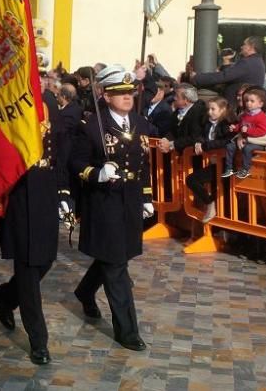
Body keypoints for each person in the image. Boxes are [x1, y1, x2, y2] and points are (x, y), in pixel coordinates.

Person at [70, 64, 154, 352]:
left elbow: (144, 165)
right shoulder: (92, 126)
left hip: (129, 200)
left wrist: (146, 196)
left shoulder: (140, 123)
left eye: (130, 92)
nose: (127, 97)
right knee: (117, 265)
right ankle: (127, 330)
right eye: (120, 93)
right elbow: (76, 163)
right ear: (106, 96)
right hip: (104, 202)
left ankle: (84, 290)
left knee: (117, 256)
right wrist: (97, 173)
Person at [0, 110, 65, 365]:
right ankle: (39, 341)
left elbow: (61, 155)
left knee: (44, 262)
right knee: (27, 269)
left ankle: (5, 297)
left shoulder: (49, 111)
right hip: (19, 195)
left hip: (45, 194)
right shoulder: (9, 112)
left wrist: (65, 194)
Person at [185, 96, 237, 221]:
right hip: (214, 163)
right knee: (192, 180)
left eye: (213, 109)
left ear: (222, 109)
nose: (210, 112)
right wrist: (198, 142)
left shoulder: (228, 124)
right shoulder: (208, 122)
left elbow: (225, 141)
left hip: (226, 164)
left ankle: (224, 227)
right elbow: (201, 135)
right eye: (209, 109)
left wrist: (205, 145)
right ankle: (210, 203)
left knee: (225, 197)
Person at [192, 36, 266, 106]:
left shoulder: (248, 62)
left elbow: (224, 76)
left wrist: (197, 77)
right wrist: (226, 62)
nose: (241, 47)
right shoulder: (257, 61)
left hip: (235, 104)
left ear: (251, 47)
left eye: (244, 44)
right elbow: (232, 76)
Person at [223, 88, 266, 178]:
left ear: (260, 104)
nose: (248, 103)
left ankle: (246, 169)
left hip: (257, 141)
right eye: (247, 100)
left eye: (252, 101)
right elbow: (241, 126)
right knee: (229, 146)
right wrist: (235, 128)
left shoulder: (261, 116)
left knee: (247, 149)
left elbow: (264, 131)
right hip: (245, 139)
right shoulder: (245, 115)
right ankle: (229, 168)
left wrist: (248, 131)